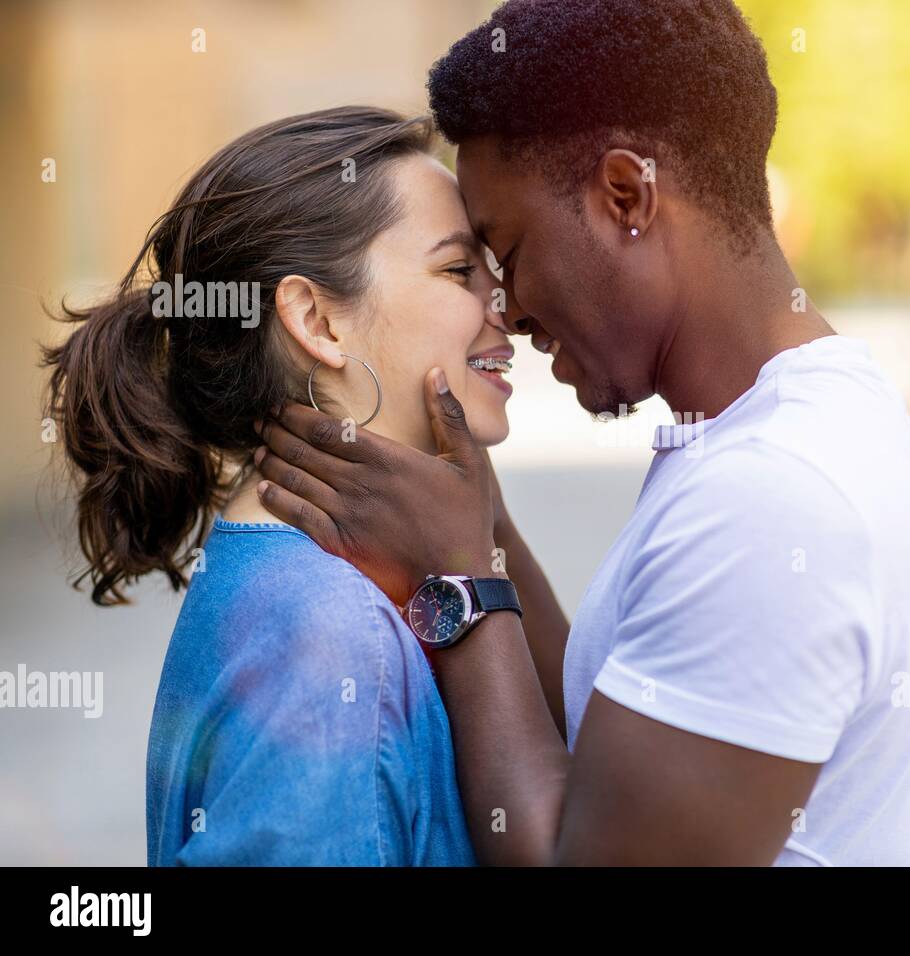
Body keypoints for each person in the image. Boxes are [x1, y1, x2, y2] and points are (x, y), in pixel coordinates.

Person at [255, 0, 910, 865]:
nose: (504, 313)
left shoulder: (772, 500)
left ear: (625, 196)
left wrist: (462, 581)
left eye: (505, 254)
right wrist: (486, 528)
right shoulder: (797, 418)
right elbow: (608, 742)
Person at [40, 105, 538, 865]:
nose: (507, 306)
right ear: (317, 321)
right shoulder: (331, 637)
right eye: (459, 270)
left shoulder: (312, 584)